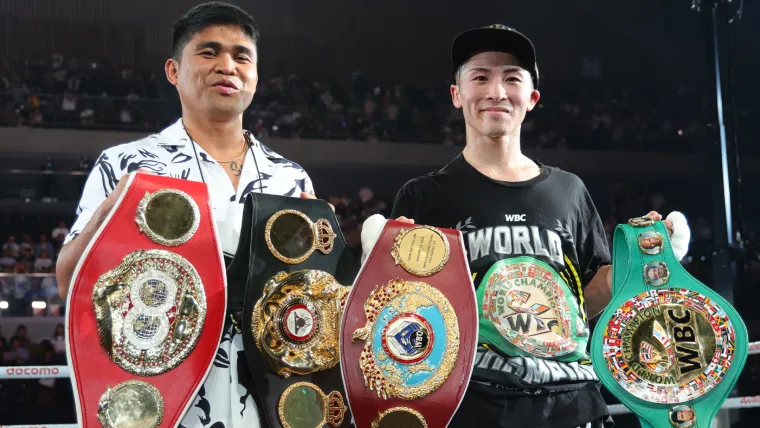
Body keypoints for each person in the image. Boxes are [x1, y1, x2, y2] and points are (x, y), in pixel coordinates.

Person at [385, 24, 690, 428]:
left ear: (531, 98)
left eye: (512, 78)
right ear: (457, 95)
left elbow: (586, 299)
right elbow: (404, 320)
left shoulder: (569, 190)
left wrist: (650, 256)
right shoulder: (424, 196)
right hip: (469, 407)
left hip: (573, 404)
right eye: (480, 77)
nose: (496, 91)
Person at [56, 2, 321, 426]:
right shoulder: (128, 164)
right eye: (208, 51)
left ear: (255, 76)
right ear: (173, 71)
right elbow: (71, 283)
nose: (227, 66)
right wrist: (115, 206)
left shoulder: (290, 178)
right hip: (164, 397)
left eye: (241, 56)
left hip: (272, 401)